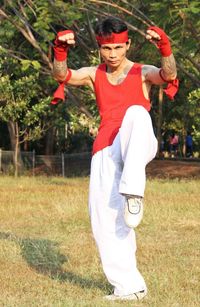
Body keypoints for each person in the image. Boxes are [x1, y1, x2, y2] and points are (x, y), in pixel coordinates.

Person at [52, 17, 178, 301]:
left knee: (136, 112)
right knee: (104, 221)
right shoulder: (95, 73)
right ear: (100, 47)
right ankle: (129, 287)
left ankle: (134, 190)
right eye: (107, 48)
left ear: (128, 45)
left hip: (136, 140)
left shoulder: (142, 72)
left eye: (118, 48)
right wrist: (60, 50)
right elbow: (62, 76)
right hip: (106, 150)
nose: (112, 54)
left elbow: (168, 75)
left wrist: (165, 48)